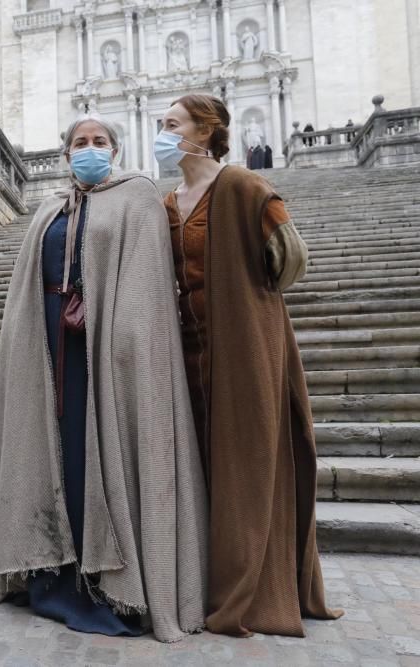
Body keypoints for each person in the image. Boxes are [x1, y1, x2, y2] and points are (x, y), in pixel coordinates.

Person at [0, 115, 208, 643]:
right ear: (65, 155)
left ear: (115, 149)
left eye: (98, 142)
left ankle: (107, 585)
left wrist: (118, 335)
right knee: (56, 457)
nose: (89, 149)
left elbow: (147, 287)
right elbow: (25, 290)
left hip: (104, 355)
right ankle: (53, 573)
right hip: (50, 353)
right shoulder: (49, 209)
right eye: (79, 143)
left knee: (97, 460)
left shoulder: (137, 198)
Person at [157, 93, 343, 637]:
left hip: (244, 341)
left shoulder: (241, 185)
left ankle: (255, 584)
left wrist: (245, 297)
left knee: (251, 459)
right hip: (191, 349)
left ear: (204, 130)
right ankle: (208, 574)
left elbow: (291, 259)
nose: (164, 132)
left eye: (172, 124)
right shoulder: (170, 201)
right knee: (207, 461)